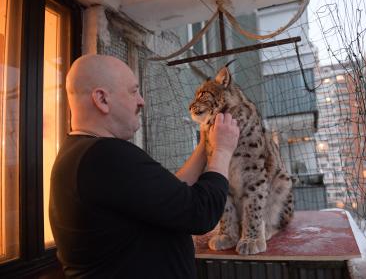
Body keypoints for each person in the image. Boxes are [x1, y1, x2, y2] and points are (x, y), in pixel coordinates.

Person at [49, 54, 240, 279]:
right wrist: (223, 151)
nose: (141, 101)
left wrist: (204, 146)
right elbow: (200, 213)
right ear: (102, 99)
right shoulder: (106, 156)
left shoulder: (82, 154)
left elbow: (172, 194)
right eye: (133, 91)